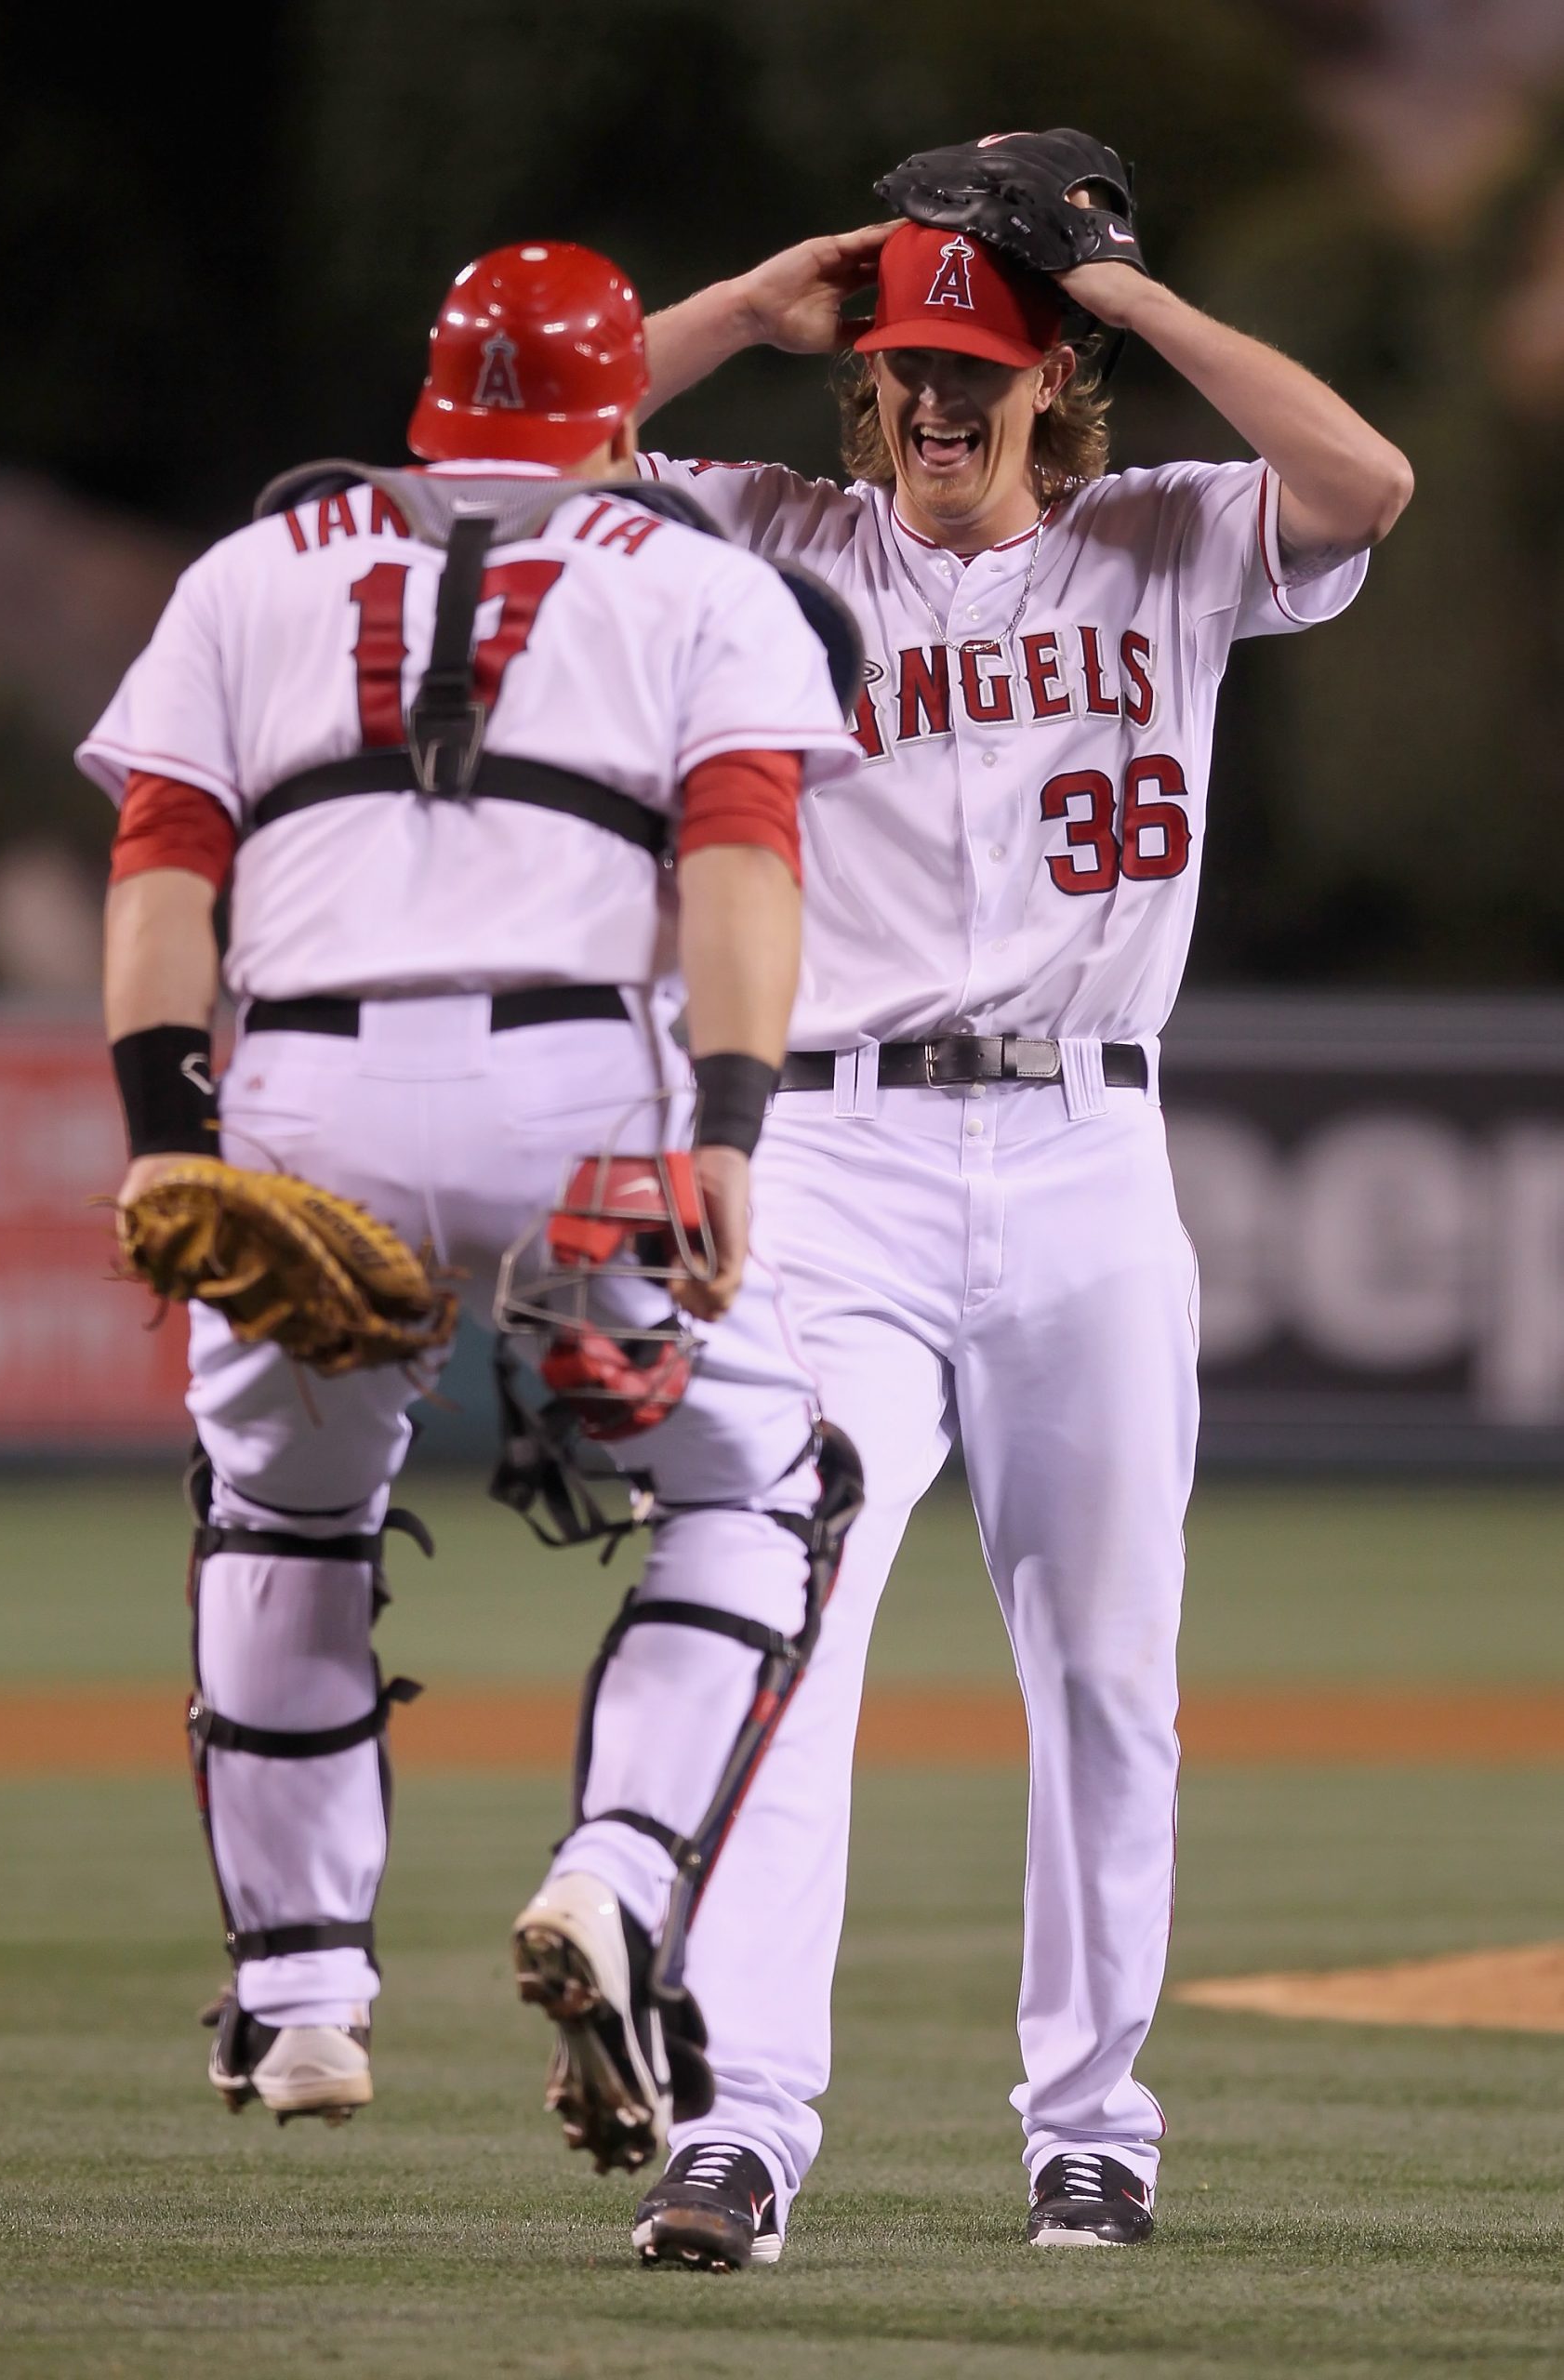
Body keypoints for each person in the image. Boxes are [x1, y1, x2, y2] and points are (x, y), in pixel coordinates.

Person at [619, 152, 1412, 2254]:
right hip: (842, 1161)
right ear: (864, 386)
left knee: (1108, 1665)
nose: (935, 406)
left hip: (1083, 1154)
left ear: (1049, 381)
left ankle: (1094, 2118)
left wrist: (1133, 305)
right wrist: (765, 291)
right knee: (786, 1622)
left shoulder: (1163, 540)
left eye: (976, 366)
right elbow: (535, 442)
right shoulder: (776, 536)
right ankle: (744, 2117)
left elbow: (1368, 480)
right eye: (907, 368)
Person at [74, 240, 862, 2205]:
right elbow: (746, 861)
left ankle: (301, 1990)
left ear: (433, 392)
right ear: (621, 410)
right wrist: (738, 1125)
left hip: (306, 1093)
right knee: (761, 1490)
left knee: (279, 1505)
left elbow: (166, 861)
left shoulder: (252, 568)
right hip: (574, 1087)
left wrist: (172, 1129)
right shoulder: (694, 576)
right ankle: (614, 1879)